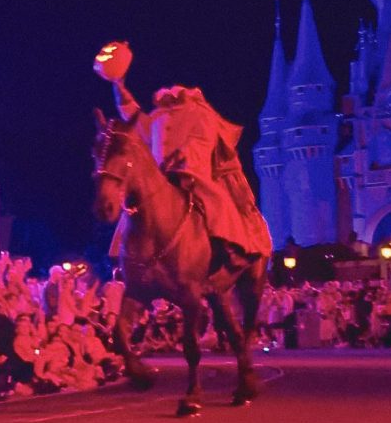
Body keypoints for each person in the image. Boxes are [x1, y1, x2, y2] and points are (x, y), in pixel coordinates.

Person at [95, 41, 271, 267]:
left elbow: (201, 141)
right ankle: (125, 257)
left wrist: (182, 155)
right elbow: (137, 122)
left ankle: (227, 248)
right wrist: (119, 88)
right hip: (161, 175)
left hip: (190, 174)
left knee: (215, 202)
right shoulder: (158, 117)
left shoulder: (201, 114)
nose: (169, 98)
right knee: (136, 205)